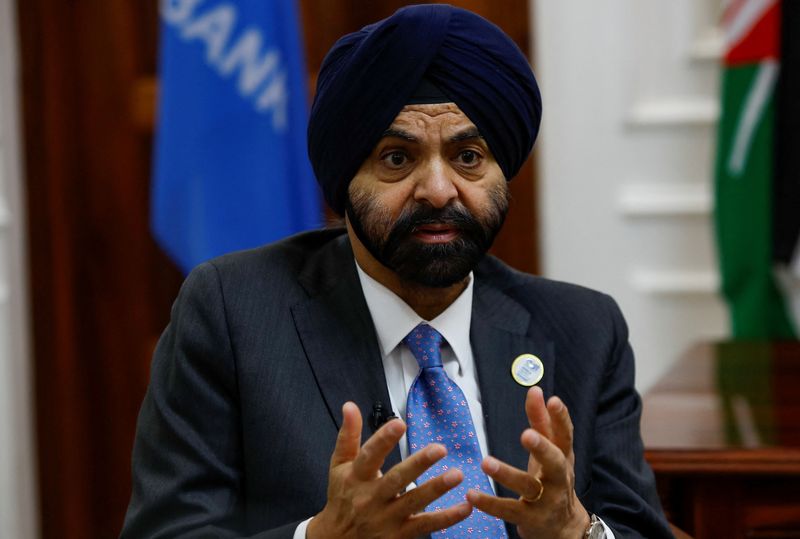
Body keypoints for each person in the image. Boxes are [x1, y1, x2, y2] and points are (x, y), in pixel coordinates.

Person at [122, 5, 672, 539]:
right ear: (345, 181)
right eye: (396, 159)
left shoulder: (584, 330)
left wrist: (576, 532)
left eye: (469, 157)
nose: (437, 190)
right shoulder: (233, 313)